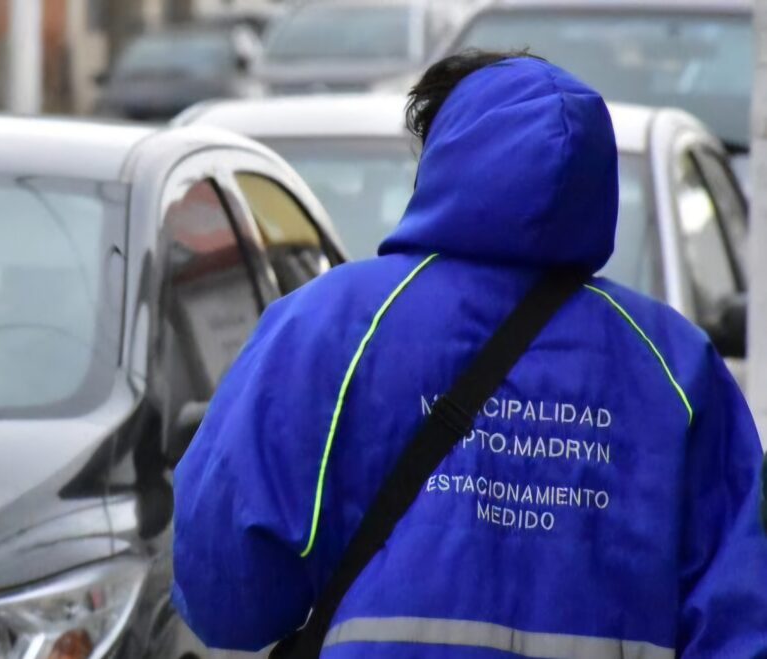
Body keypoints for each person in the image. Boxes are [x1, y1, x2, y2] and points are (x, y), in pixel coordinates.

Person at [172, 52, 767, 657]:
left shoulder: (328, 327)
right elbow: (743, 621)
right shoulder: (675, 368)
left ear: (446, 159)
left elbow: (225, 596)